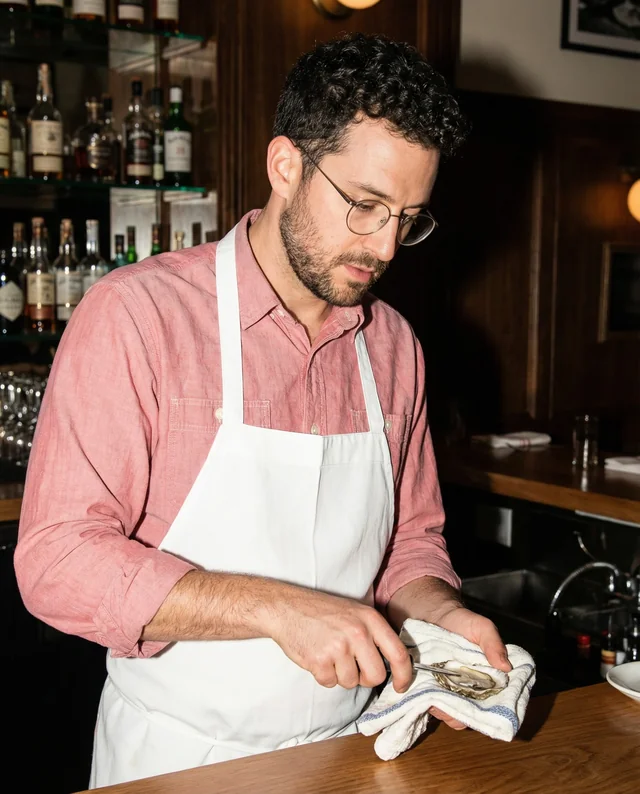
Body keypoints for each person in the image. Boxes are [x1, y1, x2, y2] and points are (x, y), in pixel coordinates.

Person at [15, 33, 510, 788]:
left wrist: (440, 615)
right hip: (177, 758)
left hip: (352, 752)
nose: (384, 246)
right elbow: (56, 561)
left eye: (409, 218)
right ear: (286, 165)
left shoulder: (395, 347)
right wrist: (279, 609)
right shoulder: (138, 317)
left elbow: (410, 543)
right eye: (365, 205)